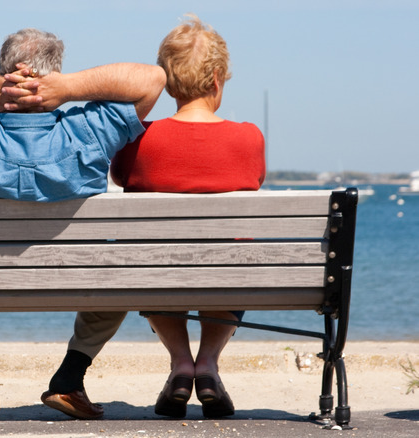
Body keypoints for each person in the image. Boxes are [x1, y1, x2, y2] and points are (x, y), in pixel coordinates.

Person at [0, 28, 166, 421]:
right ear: (54, 75)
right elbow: (153, 79)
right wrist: (70, 88)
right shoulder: (90, 130)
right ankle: (69, 378)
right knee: (120, 272)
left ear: (2, 74)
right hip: (75, 280)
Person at [110, 15, 265, 419]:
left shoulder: (137, 137)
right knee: (234, 253)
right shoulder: (249, 137)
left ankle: (182, 363)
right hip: (226, 275)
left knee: (148, 255)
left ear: (166, 82)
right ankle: (207, 364)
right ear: (217, 79)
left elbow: (119, 176)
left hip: (159, 274)